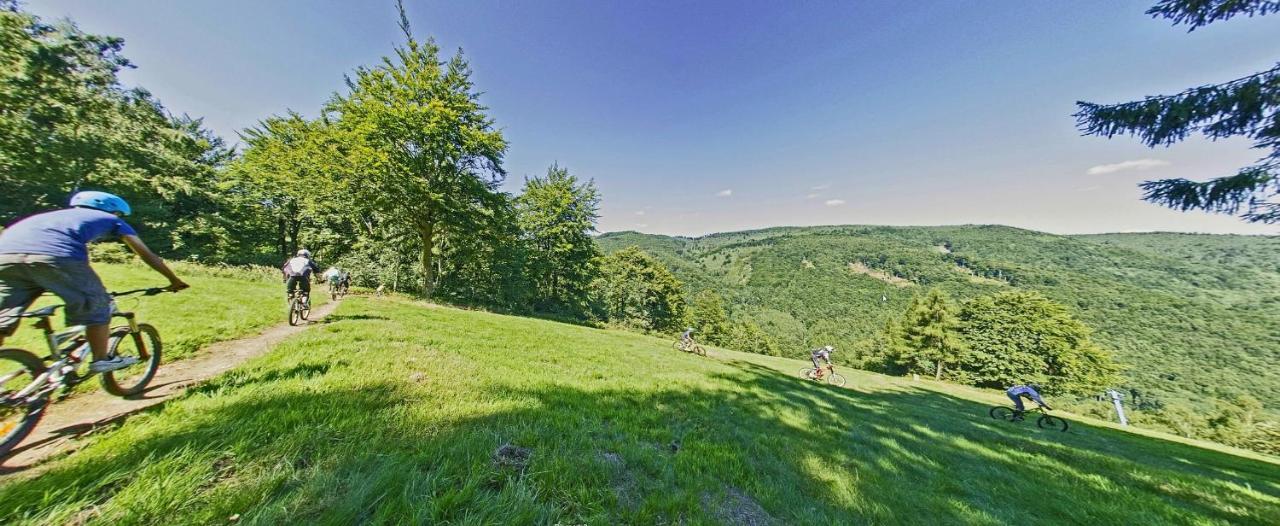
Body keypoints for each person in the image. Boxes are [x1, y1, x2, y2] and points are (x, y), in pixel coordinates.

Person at [0, 191, 188, 373]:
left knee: (4, 315)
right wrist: (174, 280)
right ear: (112, 210)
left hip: (5, 259)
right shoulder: (111, 219)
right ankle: (102, 359)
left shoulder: (47, 216)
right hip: (55, 257)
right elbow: (147, 255)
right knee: (98, 303)